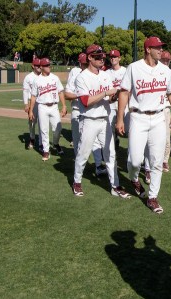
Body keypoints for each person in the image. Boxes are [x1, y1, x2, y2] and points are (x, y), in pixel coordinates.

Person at [116, 36, 171, 213]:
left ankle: (152, 197)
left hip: (159, 117)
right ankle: (134, 178)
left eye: (161, 47)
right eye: (157, 47)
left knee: (157, 161)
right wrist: (120, 118)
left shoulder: (166, 71)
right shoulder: (134, 68)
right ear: (148, 49)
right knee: (135, 160)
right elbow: (124, 93)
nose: (161, 50)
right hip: (138, 117)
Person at [71, 44, 129, 198]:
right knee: (83, 154)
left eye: (102, 56)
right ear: (89, 57)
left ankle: (115, 185)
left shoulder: (105, 75)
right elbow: (85, 101)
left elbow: (110, 99)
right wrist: (105, 93)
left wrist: (116, 95)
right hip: (89, 119)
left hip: (105, 119)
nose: (102, 58)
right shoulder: (81, 77)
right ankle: (77, 182)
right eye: (97, 56)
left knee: (110, 154)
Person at [28, 58, 67, 161]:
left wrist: (64, 106)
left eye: (49, 65)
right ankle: (46, 151)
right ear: (41, 67)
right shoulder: (37, 80)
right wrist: (31, 110)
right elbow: (33, 96)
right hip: (42, 107)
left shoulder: (55, 78)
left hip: (54, 106)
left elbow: (61, 92)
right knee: (44, 130)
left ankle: (56, 143)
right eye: (46, 65)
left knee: (58, 129)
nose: (49, 67)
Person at [23, 58, 41, 148]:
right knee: (32, 122)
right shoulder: (28, 77)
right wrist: (26, 104)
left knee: (42, 123)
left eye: (40, 65)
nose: (39, 67)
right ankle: (32, 138)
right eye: (37, 65)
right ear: (33, 66)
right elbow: (25, 91)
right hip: (32, 103)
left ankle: (41, 142)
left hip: (42, 102)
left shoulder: (44, 76)